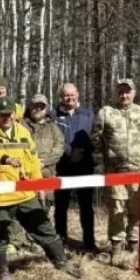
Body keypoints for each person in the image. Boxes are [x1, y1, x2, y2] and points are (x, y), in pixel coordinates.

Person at [0, 98, 82, 280]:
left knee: (45, 228)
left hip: (24, 194)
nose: (6, 117)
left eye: (9, 114)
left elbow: (33, 162)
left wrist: (39, 186)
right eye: (2, 114)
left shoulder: (24, 133)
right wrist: (5, 159)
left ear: (15, 114)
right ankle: (2, 274)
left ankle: (62, 263)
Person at [91, 79, 140, 258]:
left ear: (134, 93)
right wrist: (103, 162)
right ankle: (117, 246)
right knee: (116, 209)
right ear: (116, 93)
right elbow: (96, 140)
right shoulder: (106, 113)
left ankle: (134, 243)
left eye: (128, 92)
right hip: (115, 172)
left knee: (137, 208)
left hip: (138, 171)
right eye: (121, 92)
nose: (124, 95)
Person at [53, 83, 97, 253]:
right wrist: (70, 152)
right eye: (66, 95)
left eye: (72, 95)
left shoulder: (88, 114)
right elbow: (54, 139)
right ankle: (61, 242)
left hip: (85, 165)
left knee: (86, 205)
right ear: (61, 97)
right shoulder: (54, 115)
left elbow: (96, 137)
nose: (69, 98)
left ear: (78, 94)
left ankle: (89, 242)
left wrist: (84, 151)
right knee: (61, 206)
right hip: (62, 166)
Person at [26, 94, 62, 211]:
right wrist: (32, 163)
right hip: (25, 176)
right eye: (35, 106)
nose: (38, 109)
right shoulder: (20, 126)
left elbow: (59, 148)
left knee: (44, 212)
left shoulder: (53, 128)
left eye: (41, 106)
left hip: (47, 174)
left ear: (46, 109)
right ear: (30, 107)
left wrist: (44, 162)